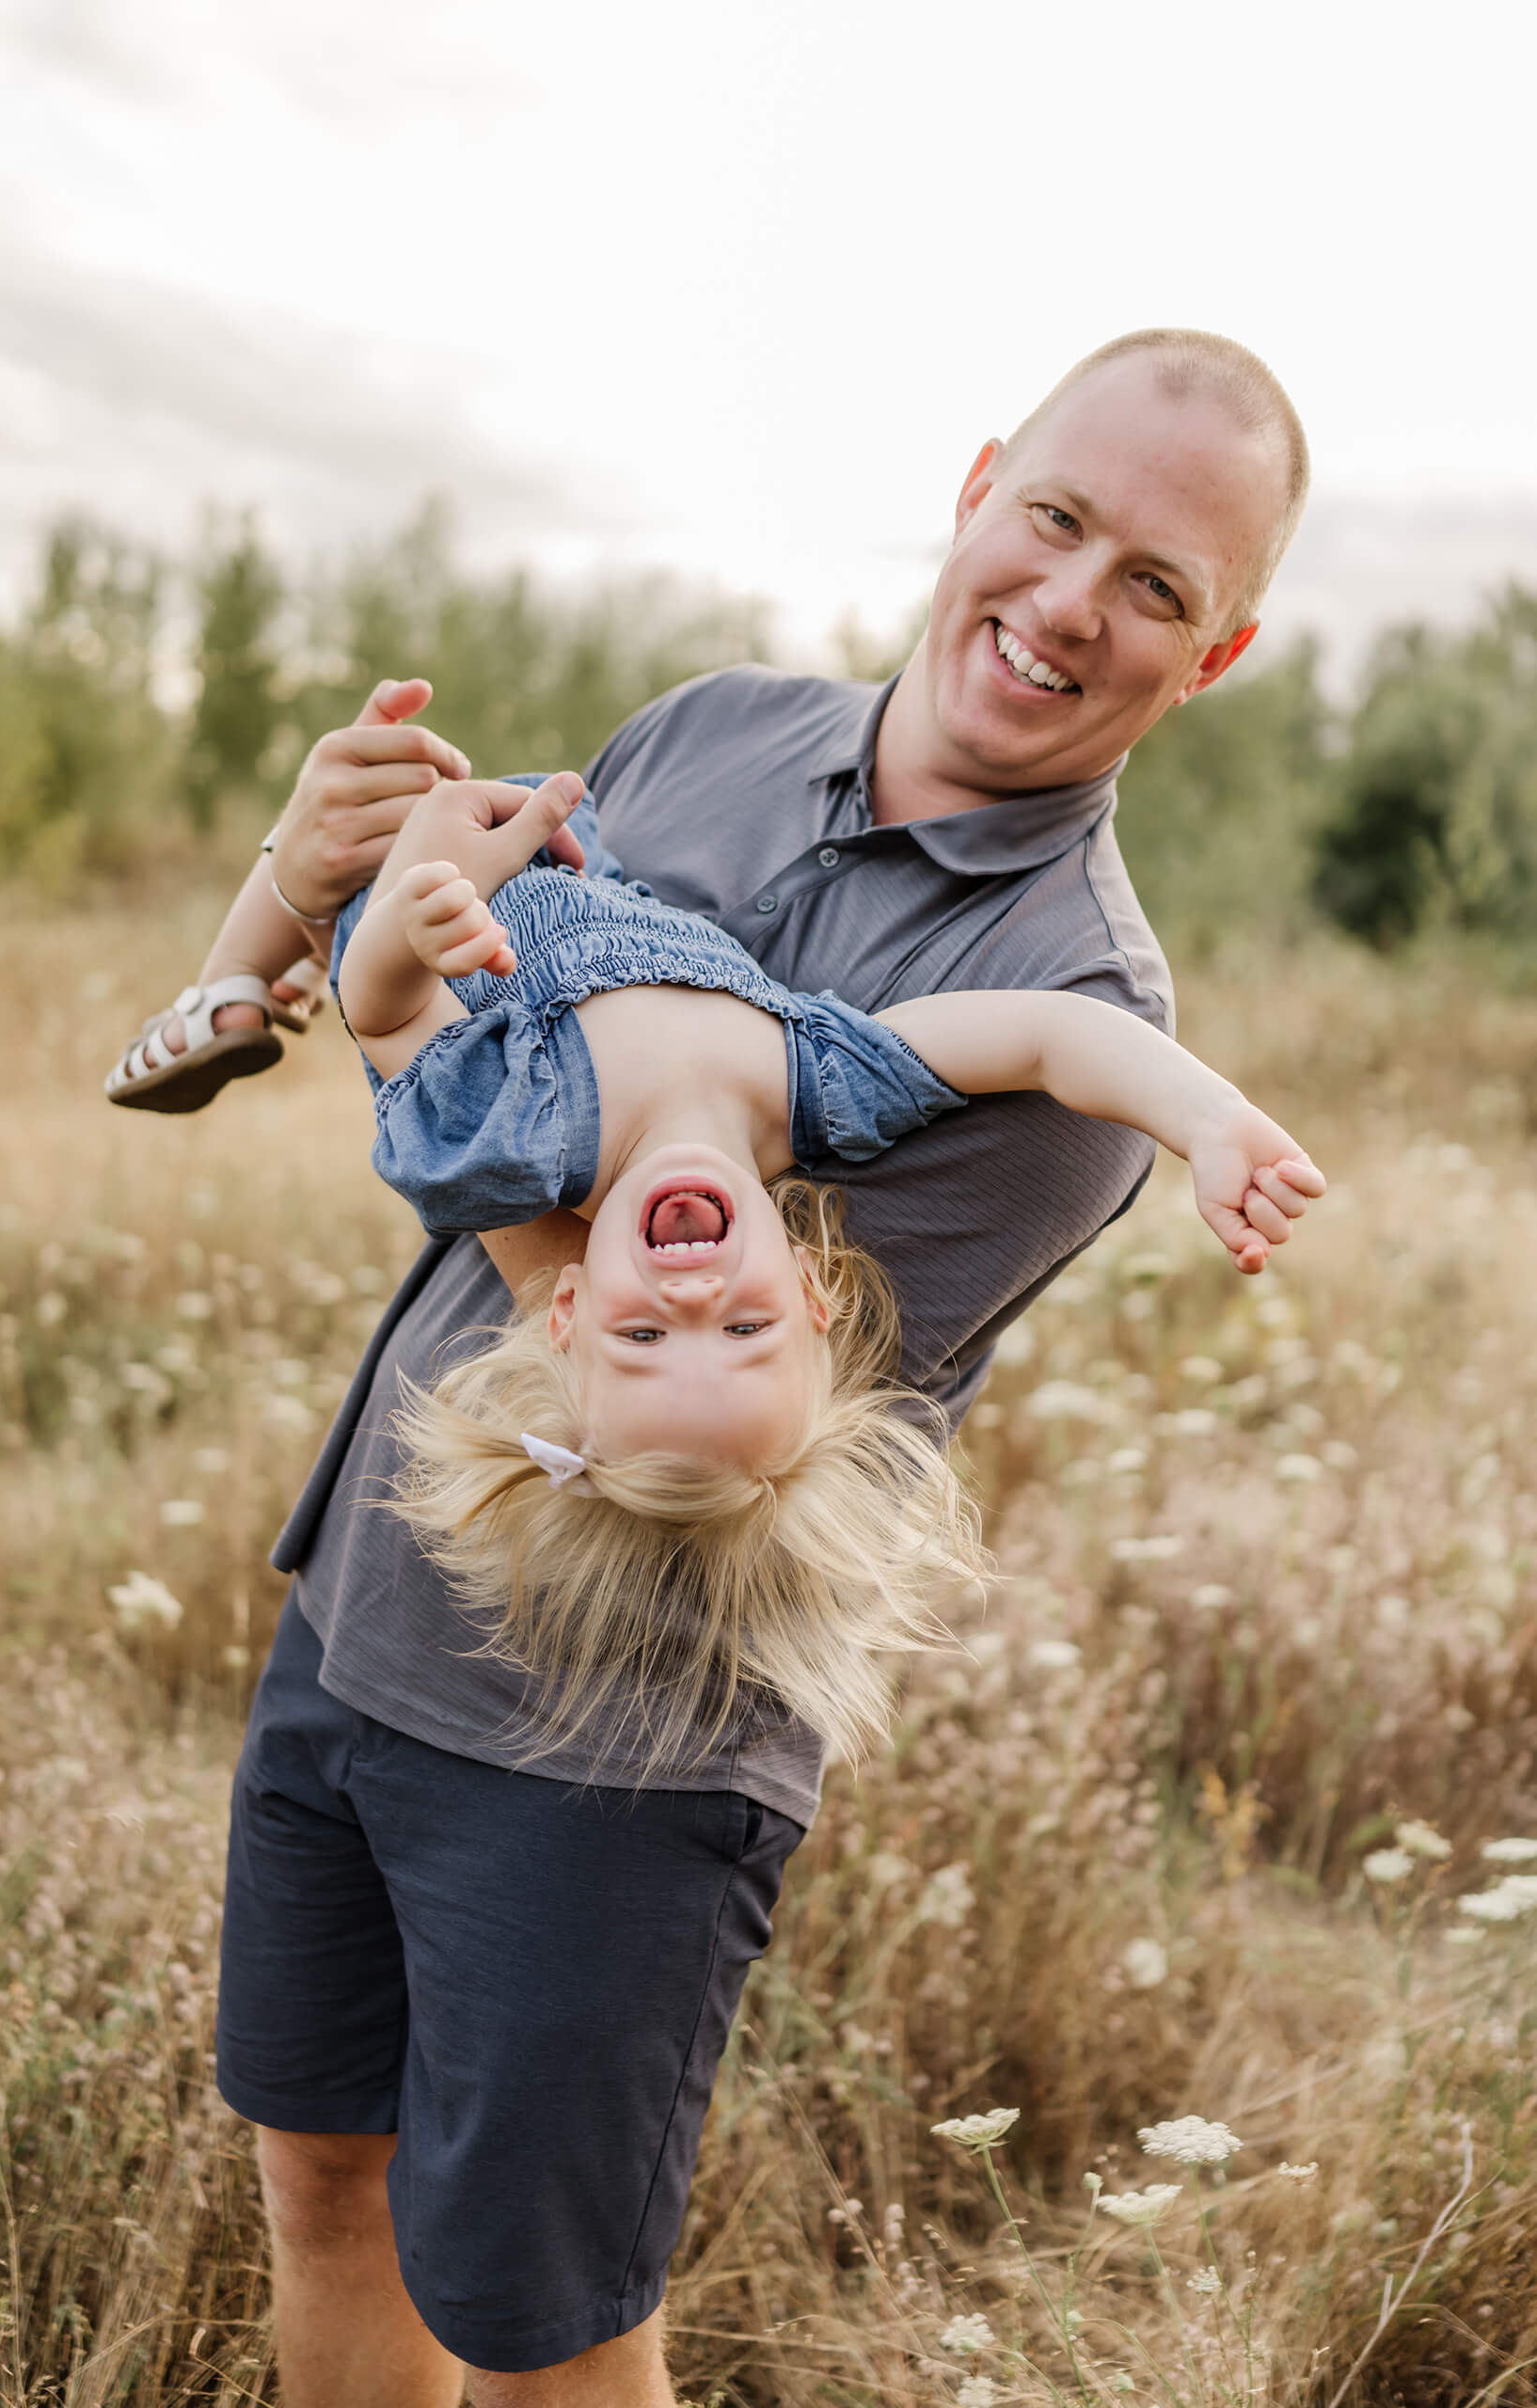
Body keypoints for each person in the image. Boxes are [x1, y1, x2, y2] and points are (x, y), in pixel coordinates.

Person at [212, 329, 1314, 2406]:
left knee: (546, 2324)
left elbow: (666, 1309)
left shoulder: (1073, 1014)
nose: (1072, 599)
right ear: (980, 482)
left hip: (608, 1742)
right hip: (362, 1598)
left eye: (1156, 584)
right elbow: (457, 1009)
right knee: (320, 2180)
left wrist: (413, 1050)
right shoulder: (708, 725)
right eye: (1057, 518)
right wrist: (321, 874)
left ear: (1217, 650)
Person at [314, 769, 1321, 1792]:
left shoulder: (513, 1140)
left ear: (566, 1309)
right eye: (748, 1329)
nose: (693, 1302)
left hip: (424, 868)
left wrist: (414, 913)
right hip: (574, 835)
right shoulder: (827, 1086)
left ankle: (236, 973)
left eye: (645, 1341)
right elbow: (1045, 1037)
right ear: (810, 1289)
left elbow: (385, 1020)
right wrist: (1204, 1117)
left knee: (338, 824)